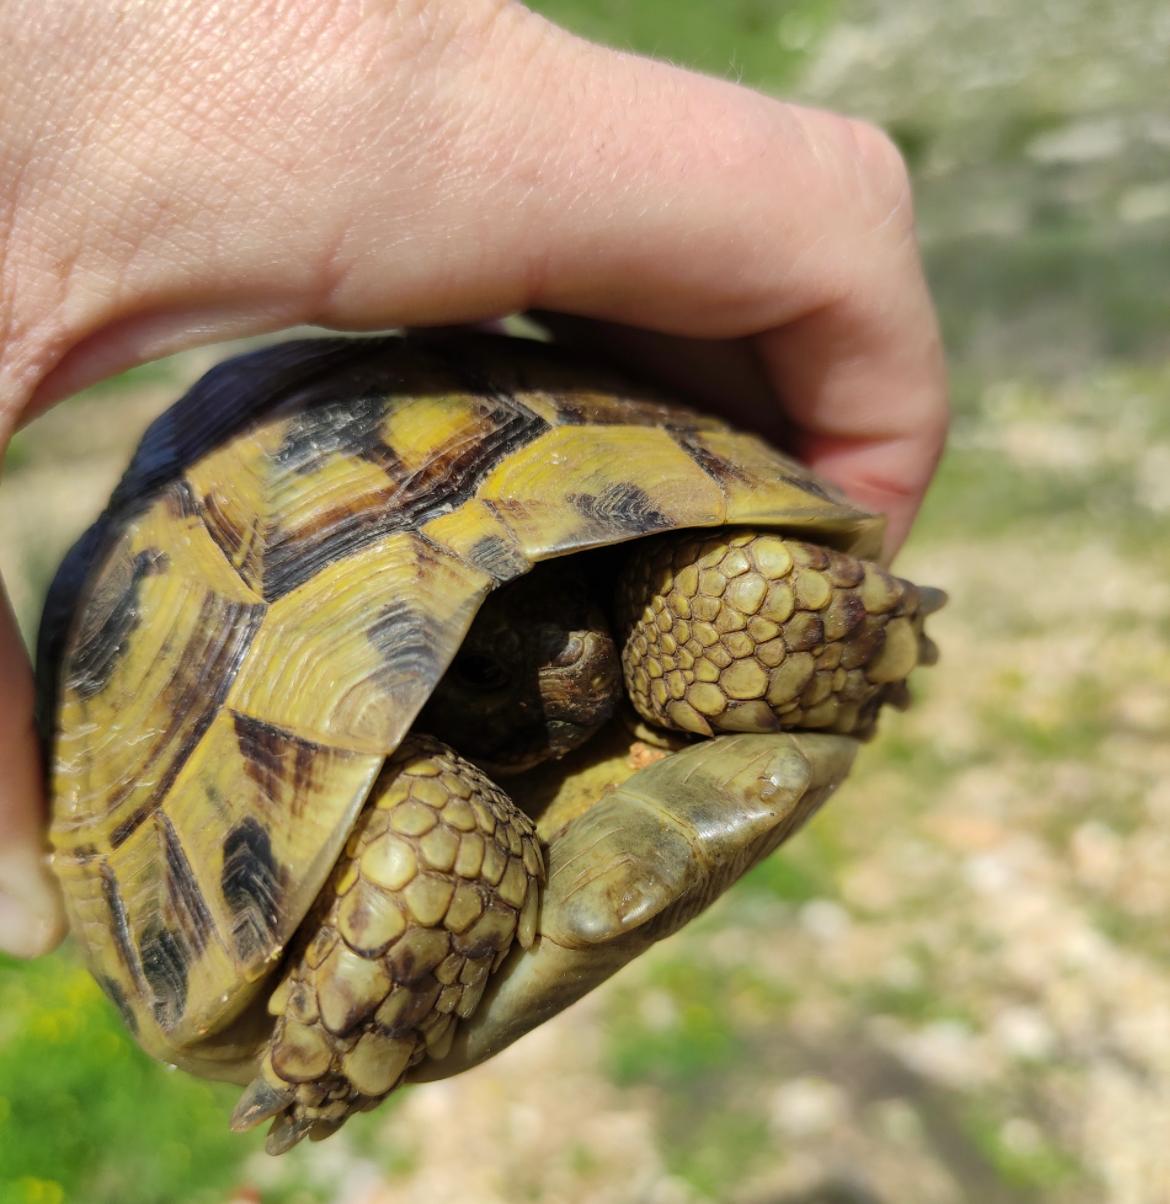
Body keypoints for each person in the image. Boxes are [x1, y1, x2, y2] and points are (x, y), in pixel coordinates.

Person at [0, 0, 948, 958]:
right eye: (487, 669)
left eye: (578, 617)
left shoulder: (652, 624)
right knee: (428, 848)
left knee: (747, 602)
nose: (579, 660)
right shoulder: (425, 821)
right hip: (404, 805)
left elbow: (714, 600)